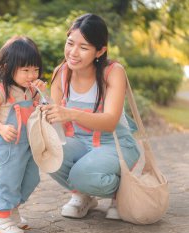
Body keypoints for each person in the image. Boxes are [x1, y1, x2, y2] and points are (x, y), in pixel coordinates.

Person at [41, 13, 140, 220]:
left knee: (80, 175)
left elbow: (110, 121)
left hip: (115, 144)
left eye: (84, 47)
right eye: (70, 43)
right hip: (81, 143)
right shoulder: (61, 73)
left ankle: (121, 191)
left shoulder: (112, 72)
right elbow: (57, 121)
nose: (73, 53)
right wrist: (40, 104)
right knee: (47, 153)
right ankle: (83, 195)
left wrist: (70, 113)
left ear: (100, 50)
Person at [0, 35, 46, 233]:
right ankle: (2, 219)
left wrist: (42, 95)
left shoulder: (31, 89)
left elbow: (41, 110)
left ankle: (12, 210)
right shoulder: (0, 89)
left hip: (28, 145)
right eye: (25, 70)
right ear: (8, 67)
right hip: (7, 147)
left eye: (35, 69)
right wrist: (0, 128)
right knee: (8, 181)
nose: (31, 74)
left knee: (31, 178)